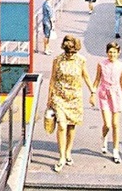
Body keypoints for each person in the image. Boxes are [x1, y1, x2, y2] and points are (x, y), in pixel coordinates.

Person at [46, 35, 95, 172]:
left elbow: (85, 75)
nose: (69, 54)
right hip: (59, 96)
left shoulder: (81, 60)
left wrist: (92, 91)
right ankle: (61, 156)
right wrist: (49, 98)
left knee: (71, 127)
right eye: (67, 52)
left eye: (72, 52)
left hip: (75, 97)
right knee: (62, 125)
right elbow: (52, 79)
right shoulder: (57, 60)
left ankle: (68, 151)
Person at [90, 41, 122, 164]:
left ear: (119, 53)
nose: (112, 54)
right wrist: (92, 94)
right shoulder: (101, 64)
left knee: (116, 124)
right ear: (107, 53)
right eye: (110, 52)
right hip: (104, 94)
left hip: (116, 94)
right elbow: (96, 80)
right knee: (107, 124)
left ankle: (116, 151)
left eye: (114, 52)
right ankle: (104, 138)